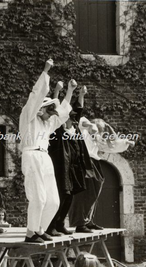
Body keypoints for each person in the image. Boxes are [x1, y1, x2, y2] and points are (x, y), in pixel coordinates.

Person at [19, 59, 74, 243]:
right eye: (48, 110)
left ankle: (40, 230)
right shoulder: (29, 118)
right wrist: (45, 71)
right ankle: (30, 234)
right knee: (38, 198)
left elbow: (62, 115)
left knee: (53, 201)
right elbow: (35, 97)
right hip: (32, 155)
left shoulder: (46, 124)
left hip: (44, 158)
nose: (51, 114)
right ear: (40, 108)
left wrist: (70, 92)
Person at [69, 117, 133, 233]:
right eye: (100, 130)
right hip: (83, 162)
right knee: (84, 193)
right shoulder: (83, 131)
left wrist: (126, 142)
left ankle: (88, 221)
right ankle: (80, 223)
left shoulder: (97, 139)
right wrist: (91, 126)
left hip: (93, 162)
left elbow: (111, 146)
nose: (99, 133)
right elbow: (82, 121)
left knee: (93, 193)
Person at [47, 86, 90, 236]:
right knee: (60, 196)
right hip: (60, 168)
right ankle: (50, 226)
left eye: (71, 119)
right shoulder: (57, 131)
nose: (70, 121)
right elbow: (58, 108)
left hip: (73, 168)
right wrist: (57, 92)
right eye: (67, 119)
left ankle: (59, 224)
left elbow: (78, 110)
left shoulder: (74, 130)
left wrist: (81, 95)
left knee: (69, 196)